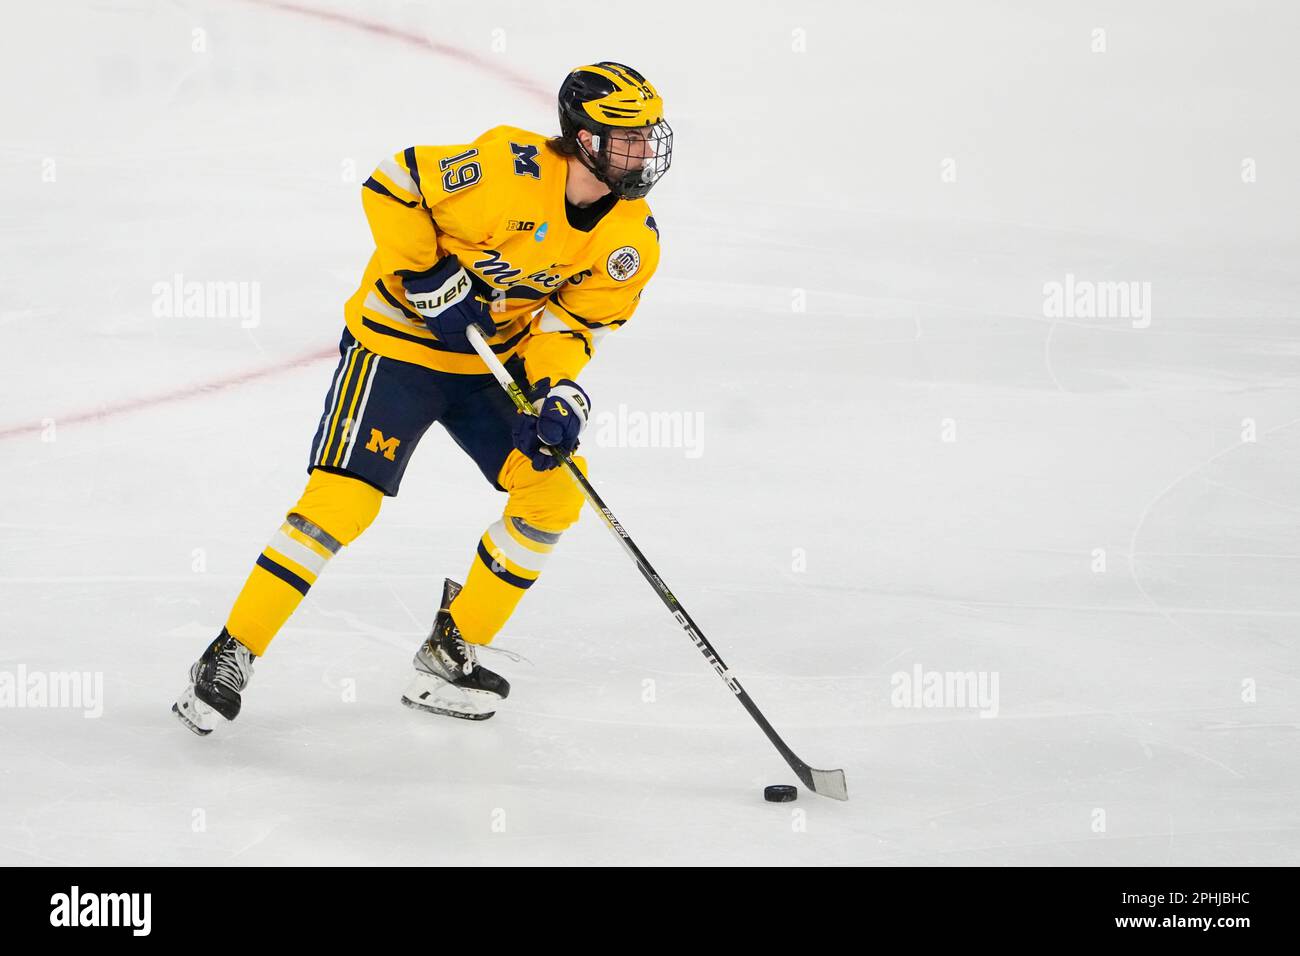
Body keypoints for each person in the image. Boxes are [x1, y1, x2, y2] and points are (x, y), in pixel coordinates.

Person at [173, 61, 672, 734]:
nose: (645, 150)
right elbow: (393, 182)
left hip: (489, 367)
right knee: (342, 503)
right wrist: (425, 270)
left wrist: (556, 393)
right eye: (628, 137)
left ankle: (448, 652)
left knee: (552, 495)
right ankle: (232, 649)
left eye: (648, 135)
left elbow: (573, 323)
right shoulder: (508, 167)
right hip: (397, 349)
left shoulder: (631, 240)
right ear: (584, 138)